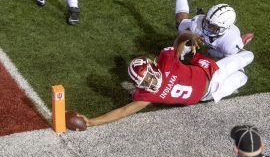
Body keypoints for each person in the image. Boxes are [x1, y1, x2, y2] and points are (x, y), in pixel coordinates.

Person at [79, 31, 254, 127]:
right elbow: (123, 111)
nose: (149, 82)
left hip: (213, 73)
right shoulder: (147, 96)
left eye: (147, 76)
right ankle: (234, 58)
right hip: (209, 94)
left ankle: (234, 45)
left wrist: (189, 36)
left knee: (249, 55)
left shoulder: (166, 62)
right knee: (243, 77)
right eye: (144, 82)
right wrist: (92, 122)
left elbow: (179, 39)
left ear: (152, 67)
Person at [161, 0, 254, 59]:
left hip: (222, 49)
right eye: (207, 21)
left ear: (224, 28)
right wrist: (186, 43)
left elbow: (231, 62)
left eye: (213, 27)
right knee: (181, 23)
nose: (207, 27)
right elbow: (183, 34)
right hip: (213, 40)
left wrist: (211, 52)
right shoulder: (199, 23)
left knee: (216, 54)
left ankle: (242, 41)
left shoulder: (230, 43)